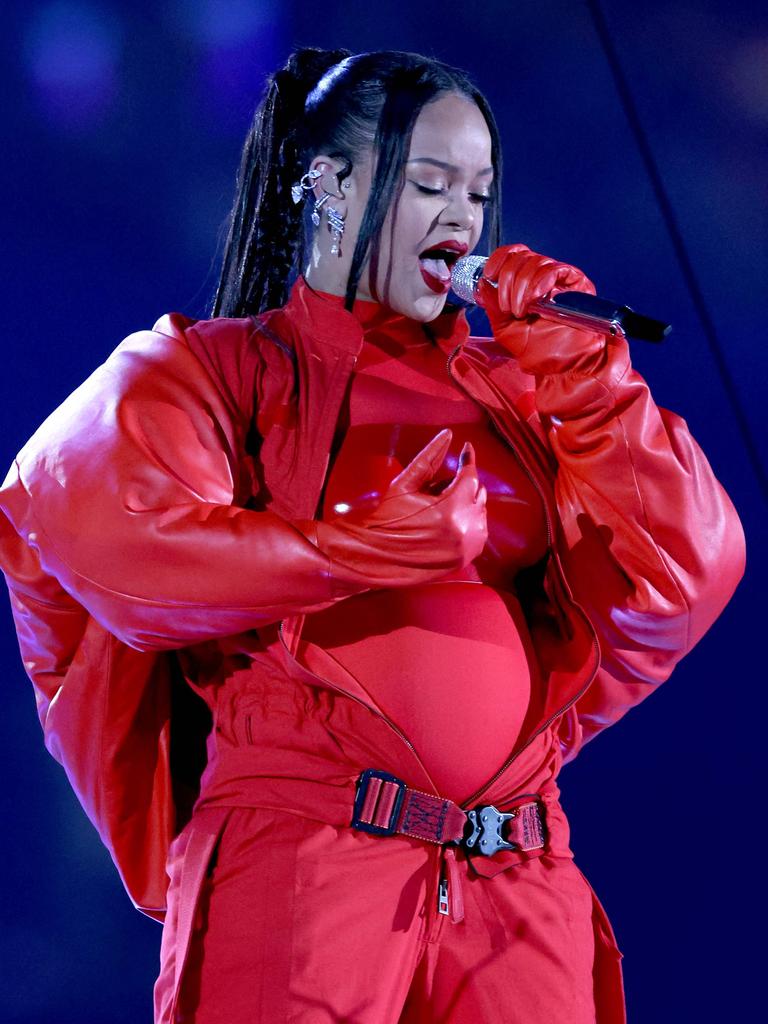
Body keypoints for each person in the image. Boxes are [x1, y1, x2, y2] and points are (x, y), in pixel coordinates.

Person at [0, 47, 745, 1024]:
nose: (461, 218)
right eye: (430, 181)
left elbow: (690, 569)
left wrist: (594, 384)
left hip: (517, 872)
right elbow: (92, 525)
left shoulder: (523, 391)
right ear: (329, 181)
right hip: (310, 860)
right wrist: (362, 547)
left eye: (478, 191)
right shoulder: (215, 370)